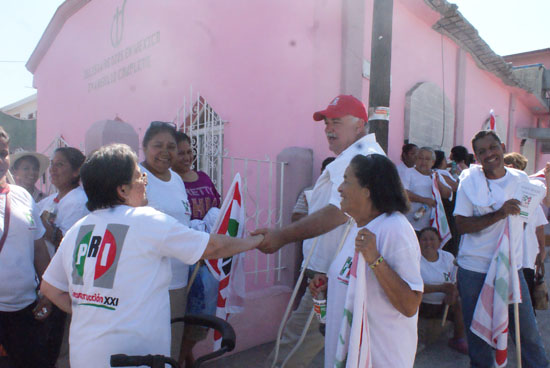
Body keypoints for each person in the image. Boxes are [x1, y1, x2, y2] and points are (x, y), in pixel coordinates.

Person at [40, 144, 264, 368]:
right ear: (122, 189)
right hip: (136, 360)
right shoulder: (146, 220)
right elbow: (211, 247)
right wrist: (256, 241)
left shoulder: (78, 229)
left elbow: (50, 288)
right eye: (138, 175)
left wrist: (89, 307)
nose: (145, 180)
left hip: (85, 358)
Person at [255, 95, 385, 367]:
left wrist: (281, 236)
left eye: (336, 121)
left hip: (332, 276)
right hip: (329, 274)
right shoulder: (353, 158)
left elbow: (339, 212)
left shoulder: (363, 159)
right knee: (326, 343)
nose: (328, 128)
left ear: (360, 124)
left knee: (293, 347)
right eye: (326, 122)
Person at [309, 154, 423, 367]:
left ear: (367, 191)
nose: (340, 188)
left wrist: (375, 259)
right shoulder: (356, 226)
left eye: (346, 180)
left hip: (381, 358)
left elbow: (410, 305)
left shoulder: (395, 229)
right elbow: (355, 282)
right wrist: (328, 285)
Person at [454, 130, 549, 367]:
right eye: (482, 151)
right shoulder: (469, 182)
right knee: (479, 336)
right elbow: (462, 225)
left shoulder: (521, 180)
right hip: (475, 269)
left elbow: (532, 215)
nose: (489, 154)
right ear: (476, 156)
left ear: (503, 147)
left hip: (510, 268)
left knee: (527, 333)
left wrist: (537, 252)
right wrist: (499, 214)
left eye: (493, 147)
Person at [139, 121, 193, 358]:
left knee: (171, 348)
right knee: (145, 350)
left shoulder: (177, 180)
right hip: (147, 282)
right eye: (157, 145)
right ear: (144, 147)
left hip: (178, 280)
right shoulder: (136, 177)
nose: (165, 151)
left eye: (171, 146)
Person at [0, 127, 53, 368]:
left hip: (25, 311)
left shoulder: (22, 196)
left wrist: (49, 292)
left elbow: (39, 249)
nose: (1, 161)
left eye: (3, 153)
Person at [172, 131, 221, 367]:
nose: (186, 157)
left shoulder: (203, 177)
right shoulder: (170, 182)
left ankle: (183, 359)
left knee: (201, 315)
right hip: (183, 256)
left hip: (206, 256)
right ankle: (183, 361)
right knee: (184, 316)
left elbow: (218, 207)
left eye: (189, 151)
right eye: (180, 152)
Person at [38, 146, 89, 368]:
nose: (53, 169)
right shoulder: (51, 200)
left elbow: (68, 242)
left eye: (60, 164)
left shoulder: (79, 201)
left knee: (59, 346)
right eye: (52, 164)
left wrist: (38, 225)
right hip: (47, 280)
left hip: (63, 284)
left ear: (76, 171)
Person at [504, 152, 548, 311]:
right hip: (505, 258)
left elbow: (539, 227)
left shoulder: (530, 197)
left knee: (524, 306)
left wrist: (541, 252)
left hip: (525, 259)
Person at [417, 227, 467, 354]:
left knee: (460, 301)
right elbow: (414, 287)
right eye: (424, 240)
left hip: (444, 304)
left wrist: (452, 292)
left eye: (432, 239)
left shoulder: (448, 257)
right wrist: (441, 288)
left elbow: (455, 281)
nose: (428, 243)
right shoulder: (414, 259)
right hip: (422, 305)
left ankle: (458, 338)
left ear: (439, 242)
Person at [402, 147, 451, 233]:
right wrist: (424, 200)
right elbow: (404, 193)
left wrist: (438, 182)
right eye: (420, 158)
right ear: (416, 160)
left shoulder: (436, 175)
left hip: (430, 227)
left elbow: (447, 194)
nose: (423, 162)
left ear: (433, 162)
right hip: (410, 226)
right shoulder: (408, 172)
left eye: (427, 159)